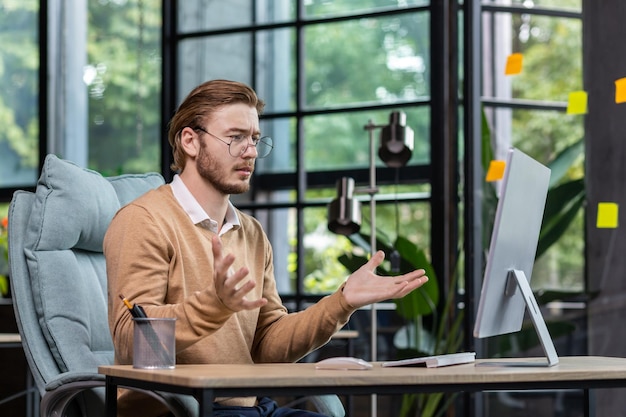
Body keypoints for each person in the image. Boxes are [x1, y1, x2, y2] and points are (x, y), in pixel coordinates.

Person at [104, 79, 429, 417]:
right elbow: (131, 339)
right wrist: (214, 305)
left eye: (255, 139)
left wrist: (341, 302)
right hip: (180, 410)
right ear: (190, 141)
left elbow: (268, 345)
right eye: (236, 138)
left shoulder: (252, 233)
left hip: (251, 408)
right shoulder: (143, 221)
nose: (251, 151)